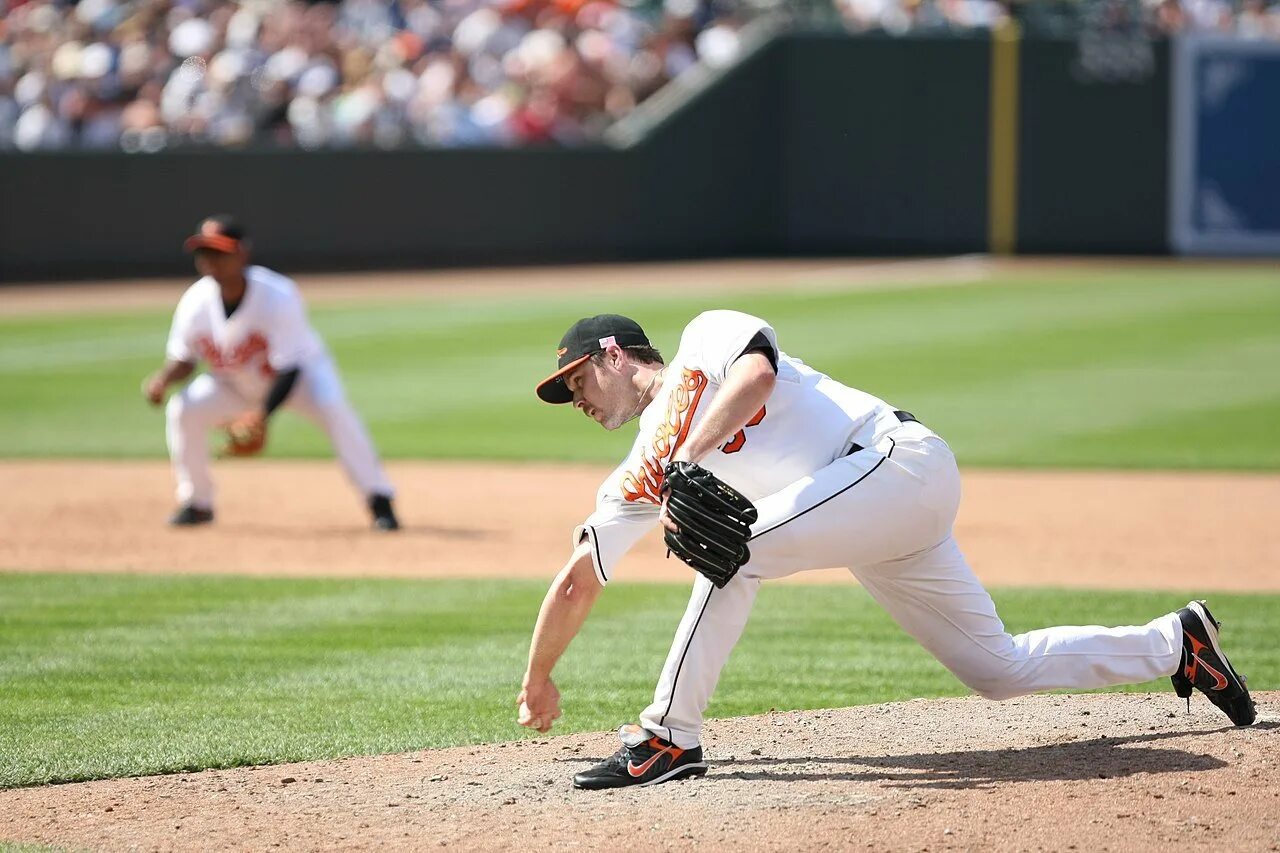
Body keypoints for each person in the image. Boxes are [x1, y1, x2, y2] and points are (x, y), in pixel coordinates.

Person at [516, 310, 1256, 790]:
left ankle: (668, 736)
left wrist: (693, 454)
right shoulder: (639, 470)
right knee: (996, 667)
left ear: (613, 353)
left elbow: (757, 373)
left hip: (898, 462)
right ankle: (1177, 642)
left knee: (732, 550)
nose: (574, 398)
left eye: (576, 378)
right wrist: (538, 676)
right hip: (872, 520)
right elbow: (579, 577)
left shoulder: (703, 339)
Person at [142, 215, 400, 531]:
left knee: (335, 411)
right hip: (234, 382)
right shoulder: (195, 301)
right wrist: (163, 379)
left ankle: (379, 500)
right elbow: (184, 358)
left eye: (220, 252)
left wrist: (261, 416)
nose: (211, 261)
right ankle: (197, 503)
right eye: (203, 253)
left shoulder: (277, 295)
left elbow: (288, 368)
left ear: (241, 254)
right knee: (184, 409)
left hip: (302, 379)